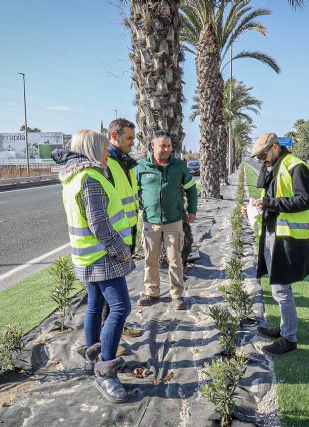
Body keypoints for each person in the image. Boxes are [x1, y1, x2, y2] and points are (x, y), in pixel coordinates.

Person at [52, 130, 133, 403]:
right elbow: (99, 224)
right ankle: (106, 372)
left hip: (85, 256)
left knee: (95, 306)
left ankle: (92, 356)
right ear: (93, 150)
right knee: (121, 307)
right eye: (104, 149)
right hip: (102, 257)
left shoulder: (73, 177)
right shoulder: (91, 179)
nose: (108, 153)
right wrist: (121, 250)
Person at [250, 132, 309, 357]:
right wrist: (258, 207)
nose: (261, 160)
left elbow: (304, 200)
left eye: (263, 155)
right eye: (258, 158)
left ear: (275, 147)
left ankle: (289, 339)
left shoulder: (296, 166)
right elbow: (268, 193)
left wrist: (270, 203)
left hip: (286, 237)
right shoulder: (274, 167)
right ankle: (284, 328)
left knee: (281, 288)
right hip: (271, 232)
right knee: (278, 287)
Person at [135, 131, 198, 310]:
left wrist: (192, 210)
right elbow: (134, 191)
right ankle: (151, 292)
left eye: (169, 146)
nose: (167, 149)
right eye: (163, 145)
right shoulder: (141, 167)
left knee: (175, 260)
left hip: (174, 221)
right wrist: (142, 206)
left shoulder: (179, 166)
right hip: (150, 222)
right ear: (152, 146)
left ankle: (177, 295)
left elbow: (191, 189)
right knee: (150, 259)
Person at [107, 118, 140, 253]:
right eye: (129, 138)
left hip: (129, 230)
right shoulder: (105, 164)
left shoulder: (127, 162)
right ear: (114, 136)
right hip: (115, 235)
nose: (133, 143)